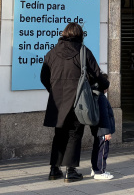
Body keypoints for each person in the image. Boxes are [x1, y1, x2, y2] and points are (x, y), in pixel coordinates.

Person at [41, 22, 107, 183]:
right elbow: (97, 74)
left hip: (57, 101)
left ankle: (54, 169)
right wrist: (104, 85)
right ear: (80, 35)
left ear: (64, 34)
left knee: (59, 134)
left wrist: (54, 90)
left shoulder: (52, 53)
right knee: (74, 133)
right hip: (78, 100)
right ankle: (70, 171)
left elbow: (44, 77)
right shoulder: (83, 52)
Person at [89, 73, 115, 180]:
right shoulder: (101, 98)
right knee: (103, 150)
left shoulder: (94, 95)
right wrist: (107, 132)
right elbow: (104, 116)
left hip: (97, 129)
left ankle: (95, 168)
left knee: (97, 148)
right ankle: (100, 171)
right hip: (103, 130)